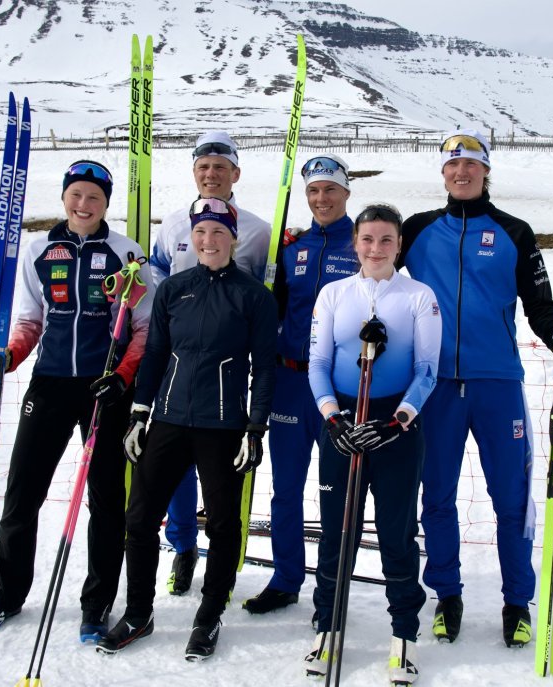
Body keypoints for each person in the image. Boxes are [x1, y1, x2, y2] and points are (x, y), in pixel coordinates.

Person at [398, 130, 553, 648]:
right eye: (452, 165)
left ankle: (517, 602)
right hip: (433, 386)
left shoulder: (515, 231)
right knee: (435, 496)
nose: (461, 173)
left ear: (486, 172)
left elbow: (541, 304)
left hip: (497, 383)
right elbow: (373, 276)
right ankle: (447, 595)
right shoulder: (416, 230)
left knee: (511, 499)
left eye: (471, 165)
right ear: (443, 174)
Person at [0, 160, 153, 643]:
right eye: (76, 195)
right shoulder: (40, 251)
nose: (83, 205)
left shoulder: (127, 253)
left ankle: (96, 604)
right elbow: (30, 321)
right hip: (50, 383)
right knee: (22, 494)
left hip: (105, 389)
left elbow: (141, 329)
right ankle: (7, 594)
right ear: (63, 198)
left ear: (106, 204)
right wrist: (8, 356)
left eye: (93, 197)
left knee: (106, 500)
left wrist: (121, 377)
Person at [97, 198, 277, 660]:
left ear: (234, 238)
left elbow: (264, 367)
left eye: (219, 232)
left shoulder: (254, 296)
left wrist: (255, 428)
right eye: (201, 232)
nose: (209, 240)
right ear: (191, 237)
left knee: (222, 524)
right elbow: (154, 354)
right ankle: (138, 611)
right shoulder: (174, 289)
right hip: (169, 420)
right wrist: (140, 412)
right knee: (139, 519)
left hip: (223, 425)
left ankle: (210, 615)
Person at [303, 204, 441, 684]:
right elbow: (318, 362)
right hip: (342, 419)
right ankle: (328, 625)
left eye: (386, 240)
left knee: (396, 533)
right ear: (355, 243)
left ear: (399, 244)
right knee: (338, 529)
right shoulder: (334, 294)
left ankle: (403, 633)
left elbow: (427, 371)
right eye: (367, 239)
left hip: (394, 427)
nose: (376, 249)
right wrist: (332, 417)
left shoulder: (419, 296)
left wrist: (398, 420)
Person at [147, 131, 272, 596]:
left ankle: (220, 551)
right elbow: (158, 278)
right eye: (204, 167)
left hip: (225, 367)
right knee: (175, 465)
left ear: (235, 173)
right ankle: (181, 549)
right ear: (194, 173)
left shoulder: (256, 230)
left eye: (221, 166)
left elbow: (259, 296)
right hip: (177, 361)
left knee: (218, 468)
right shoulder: (174, 223)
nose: (211, 174)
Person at [242, 154, 359, 615]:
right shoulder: (290, 247)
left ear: (346, 193)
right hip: (291, 379)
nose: (321, 198)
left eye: (330, 189)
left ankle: (331, 585)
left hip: (340, 384)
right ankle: (286, 577)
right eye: (313, 190)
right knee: (285, 488)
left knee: (337, 491)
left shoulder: (363, 241)